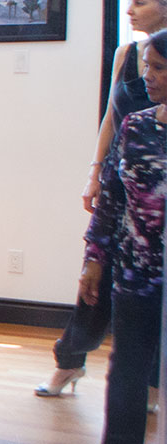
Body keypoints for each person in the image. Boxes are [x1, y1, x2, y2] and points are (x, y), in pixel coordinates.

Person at [47, 0, 167, 406]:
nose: (129, 9)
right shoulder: (126, 54)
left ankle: (152, 382)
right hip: (123, 178)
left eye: (140, 2)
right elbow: (111, 119)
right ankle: (70, 360)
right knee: (96, 276)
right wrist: (95, 171)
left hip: (158, 189)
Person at [85, 28, 167, 444]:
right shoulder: (135, 125)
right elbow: (112, 200)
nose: (146, 76)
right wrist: (94, 258)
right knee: (126, 372)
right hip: (137, 274)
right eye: (147, 65)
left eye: (159, 68)